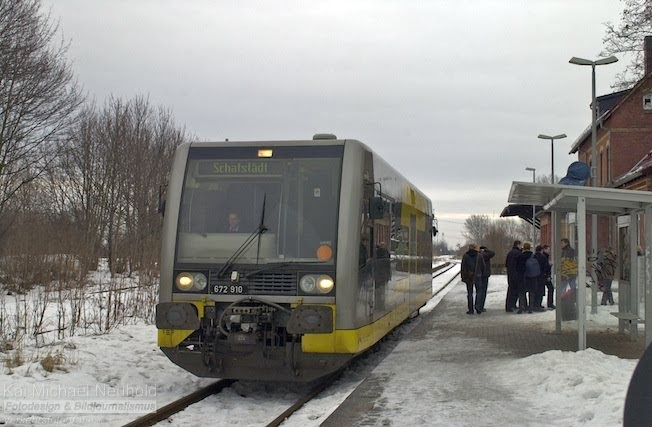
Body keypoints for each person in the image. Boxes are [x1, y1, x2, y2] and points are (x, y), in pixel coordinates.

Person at [460, 244, 487, 315]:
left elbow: (463, 267)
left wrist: (463, 276)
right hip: (478, 276)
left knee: (470, 293)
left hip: (469, 277)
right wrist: (481, 273)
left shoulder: (465, 256)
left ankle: (471, 309)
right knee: (479, 291)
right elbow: (483, 266)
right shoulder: (479, 256)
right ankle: (478, 307)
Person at [515, 242, 537, 314]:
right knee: (531, 292)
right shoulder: (533, 256)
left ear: (523, 248)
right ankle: (531, 307)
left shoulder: (520, 256)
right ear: (530, 248)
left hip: (522, 276)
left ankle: (522, 306)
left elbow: (517, 267)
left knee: (522, 292)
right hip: (532, 276)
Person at [505, 240, 522, 312]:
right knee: (515, 291)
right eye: (520, 245)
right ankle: (512, 305)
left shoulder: (510, 253)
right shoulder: (518, 253)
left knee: (510, 290)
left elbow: (507, 264)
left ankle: (509, 305)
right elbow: (520, 264)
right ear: (518, 245)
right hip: (516, 274)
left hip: (510, 274)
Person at [478, 245, 495, 312]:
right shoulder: (485, 255)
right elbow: (493, 253)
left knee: (479, 291)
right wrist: (486, 249)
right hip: (485, 274)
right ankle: (481, 306)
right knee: (483, 291)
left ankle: (477, 305)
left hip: (478, 275)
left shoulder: (478, 254)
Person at [533, 245, 548, 311]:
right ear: (541, 250)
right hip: (541, 276)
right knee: (540, 291)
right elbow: (546, 267)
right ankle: (538, 305)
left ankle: (534, 304)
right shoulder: (543, 257)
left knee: (535, 291)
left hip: (534, 276)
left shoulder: (533, 256)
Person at [542, 244, 555, 309]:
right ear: (544, 249)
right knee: (551, 288)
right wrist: (549, 265)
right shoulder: (544, 257)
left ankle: (549, 303)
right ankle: (550, 304)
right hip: (545, 276)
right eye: (548, 249)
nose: (549, 251)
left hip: (545, 275)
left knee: (548, 289)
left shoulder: (545, 256)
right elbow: (545, 267)